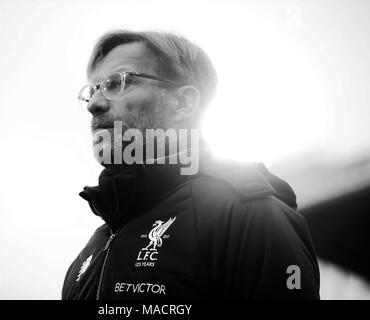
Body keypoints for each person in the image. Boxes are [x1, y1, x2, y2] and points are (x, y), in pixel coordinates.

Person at [62, 30, 320, 300]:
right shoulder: (89, 253)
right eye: (92, 91)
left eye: (117, 83)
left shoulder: (250, 214)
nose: (93, 104)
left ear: (184, 102)